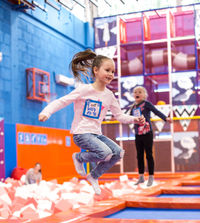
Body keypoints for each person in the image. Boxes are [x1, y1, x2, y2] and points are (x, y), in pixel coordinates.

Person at [38, 49, 145, 195]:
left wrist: (135, 119)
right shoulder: (84, 90)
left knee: (118, 153)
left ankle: (93, 176)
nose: (110, 74)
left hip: (96, 134)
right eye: (107, 70)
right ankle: (79, 157)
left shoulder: (109, 96)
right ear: (95, 70)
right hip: (81, 132)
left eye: (113, 72)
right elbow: (63, 101)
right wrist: (47, 111)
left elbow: (119, 116)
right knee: (105, 152)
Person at [127, 86, 171, 187]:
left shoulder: (146, 104)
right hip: (138, 133)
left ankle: (151, 177)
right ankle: (141, 177)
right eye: (135, 92)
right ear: (133, 95)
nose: (137, 93)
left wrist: (165, 118)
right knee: (139, 156)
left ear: (144, 95)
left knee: (149, 155)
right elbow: (129, 118)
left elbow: (156, 111)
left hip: (147, 132)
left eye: (140, 92)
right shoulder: (133, 106)